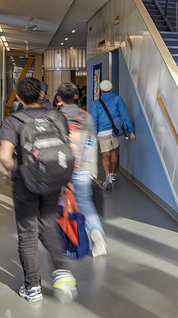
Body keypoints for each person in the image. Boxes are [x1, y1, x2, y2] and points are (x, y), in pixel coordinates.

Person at [0, 77, 77, 304]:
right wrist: (65, 178)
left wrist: (15, 171)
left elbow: (4, 156)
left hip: (25, 183)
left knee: (28, 232)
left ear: (18, 97)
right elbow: (65, 148)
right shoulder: (57, 117)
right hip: (53, 179)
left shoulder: (13, 121)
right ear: (41, 95)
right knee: (48, 223)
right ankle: (61, 272)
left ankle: (33, 287)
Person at [56, 82, 107, 257]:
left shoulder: (57, 117)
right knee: (85, 202)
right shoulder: (86, 116)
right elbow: (92, 142)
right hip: (83, 167)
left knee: (61, 202)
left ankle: (65, 240)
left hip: (62, 167)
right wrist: (93, 167)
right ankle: (97, 235)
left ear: (59, 98)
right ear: (76, 97)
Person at [90, 79, 135, 189]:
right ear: (111, 88)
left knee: (105, 154)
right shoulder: (117, 99)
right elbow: (125, 114)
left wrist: (93, 134)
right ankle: (113, 173)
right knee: (114, 151)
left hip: (102, 132)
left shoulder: (96, 103)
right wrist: (131, 130)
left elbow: (94, 120)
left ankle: (107, 176)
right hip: (115, 130)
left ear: (101, 89)